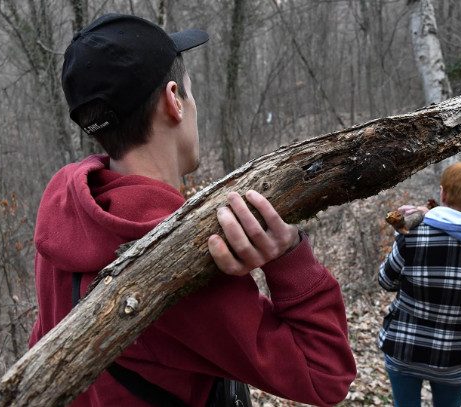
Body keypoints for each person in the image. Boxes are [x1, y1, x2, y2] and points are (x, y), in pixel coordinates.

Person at [29, 13, 356, 406]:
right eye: (190, 90)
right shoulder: (177, 260)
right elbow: (325, 375)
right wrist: (289, 259)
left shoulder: (65, 216)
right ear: (174, 101)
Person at [377, 162, 461, 407]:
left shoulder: (412, 236)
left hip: (405, 346)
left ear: (443, 194)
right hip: (456, 354)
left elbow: (385, 280)